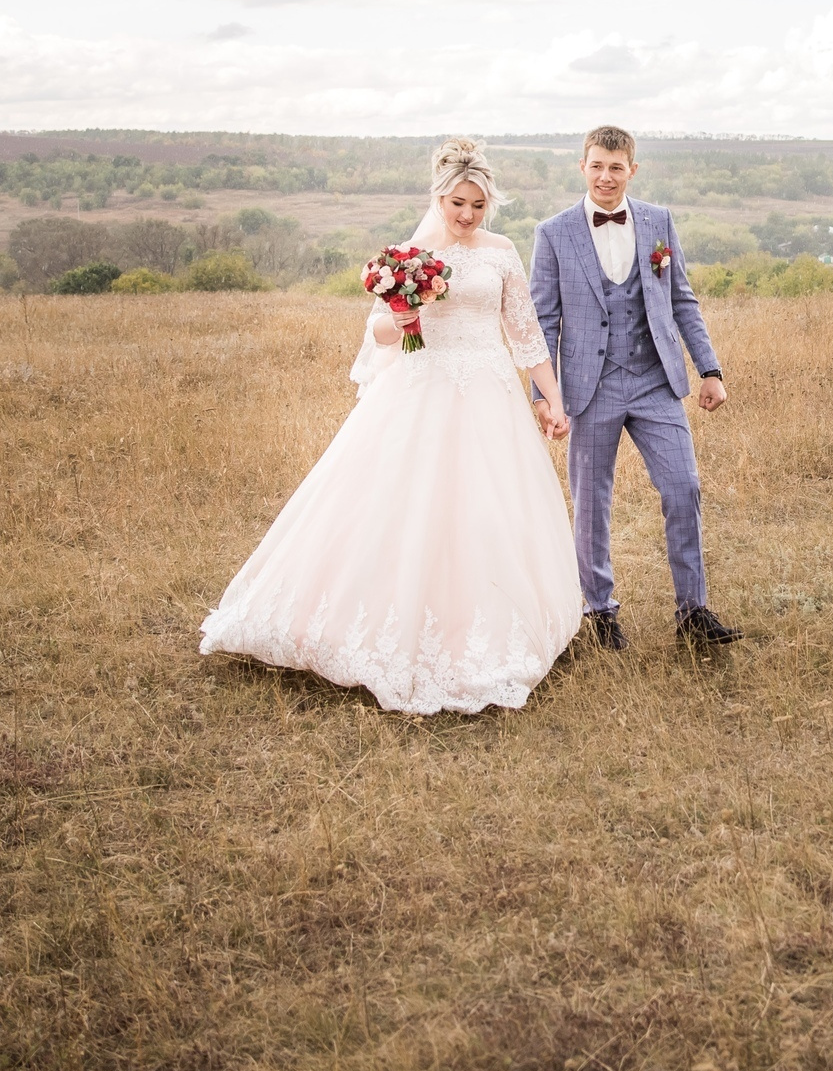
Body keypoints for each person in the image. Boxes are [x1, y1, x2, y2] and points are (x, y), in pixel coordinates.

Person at [198, 139, 584, 713]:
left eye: (478, 206)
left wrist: (552, 400)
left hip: (489, 392)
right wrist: (403, 316)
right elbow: (378, 331)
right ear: (439, 197)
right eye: (458, 203)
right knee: (400, 504)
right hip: (420, 388)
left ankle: (493, 623)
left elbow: (526, 336)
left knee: (487, 508)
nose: (467, 216)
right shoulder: (407, 254)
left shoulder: (502, 252)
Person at [529, 125, 741, 650]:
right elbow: (542, 321)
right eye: (597, 165)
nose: (606, 176)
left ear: (632, 170)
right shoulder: (553, 233)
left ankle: (693, 612)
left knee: (683, 488)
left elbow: (683, 301)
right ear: (582, 166)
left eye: (616, 167)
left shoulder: (657, 221)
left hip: (655, 382)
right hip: (589, 387)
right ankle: (599, 613)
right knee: (592, 502)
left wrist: (709, 370)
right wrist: (545, 398)